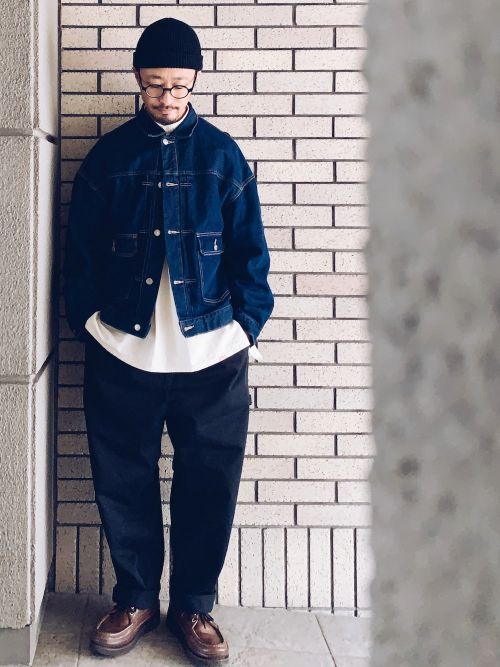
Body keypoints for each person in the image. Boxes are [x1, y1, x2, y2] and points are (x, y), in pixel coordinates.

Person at [62, 16, 274, 663]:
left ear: (196, 81)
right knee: (121, 478)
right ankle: (135, 598)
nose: (167, 98)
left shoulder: (223, 156)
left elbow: (251, 255)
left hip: (213, 354)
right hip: (122, 349)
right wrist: (89, 323)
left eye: (180, 85)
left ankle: (193, 605)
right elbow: (79, 255)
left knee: (210, 482)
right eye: (155, 85)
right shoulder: (109, 158)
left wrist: (245, 329)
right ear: (138, 80)